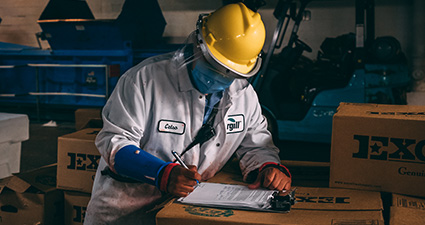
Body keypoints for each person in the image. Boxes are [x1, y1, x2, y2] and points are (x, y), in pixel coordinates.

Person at [84, 2, 291, 224]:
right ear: (197, 43)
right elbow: (114, 142)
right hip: (124, 213)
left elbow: (256, 144)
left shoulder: (244, 96)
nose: (220, 76)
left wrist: (268, 167)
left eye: (230, 72)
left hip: (181, 213)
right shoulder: (143, 80)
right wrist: (162, 174)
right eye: (214, 64)